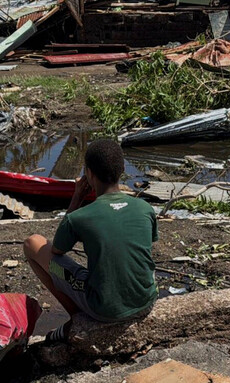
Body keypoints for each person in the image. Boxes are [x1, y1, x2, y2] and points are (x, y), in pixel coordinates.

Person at [23, 139, 158, 342]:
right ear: (121, 170)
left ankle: (76, 317)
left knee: (32, 244)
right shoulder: (145, 208)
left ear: (89, 173)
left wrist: (76, 198)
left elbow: (57, 249)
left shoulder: (80, 216)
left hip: (105, 308)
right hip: (146, 300)